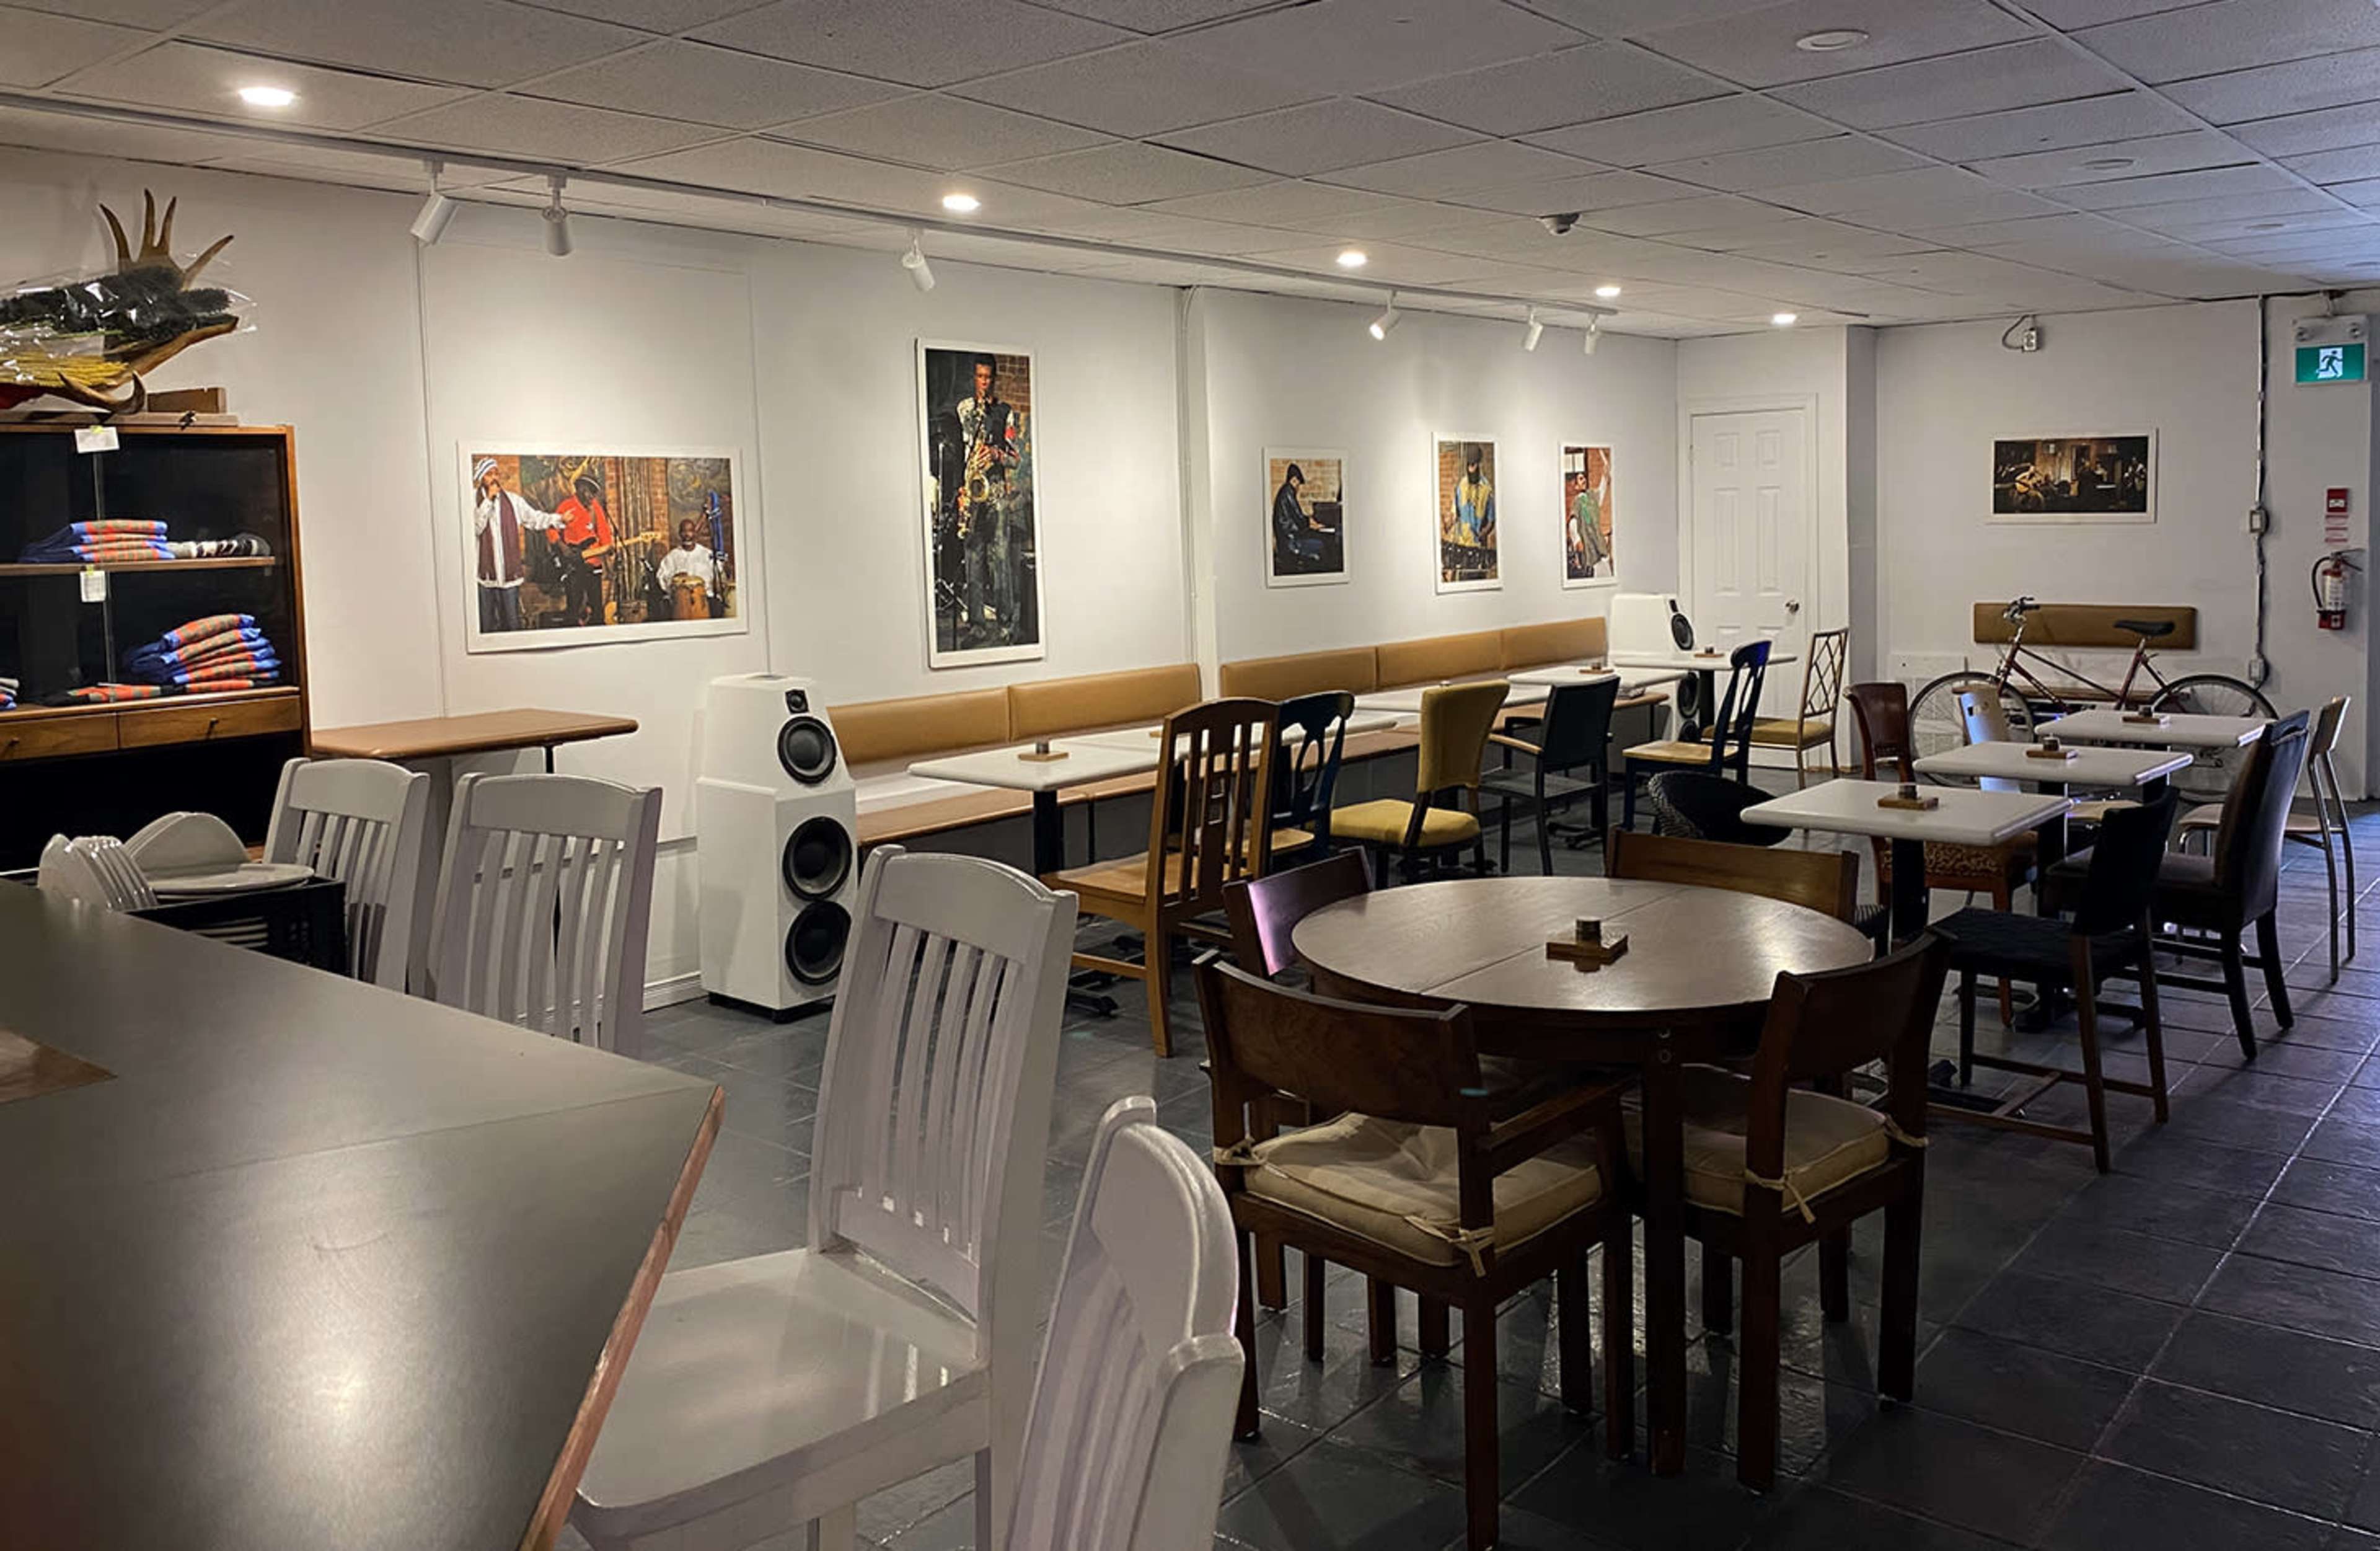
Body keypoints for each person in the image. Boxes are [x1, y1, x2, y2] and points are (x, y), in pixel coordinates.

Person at [954, 355, 1023, 643]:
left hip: (995, 493)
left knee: (1001, 559)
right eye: (980, 377)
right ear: (975, 378)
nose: (985, 382)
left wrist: (995, 454)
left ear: (994, 379)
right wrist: (961, 490)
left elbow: (1016, 460)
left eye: (989, 378)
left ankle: (1006, 625)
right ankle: (977, 626)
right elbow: (960, 452)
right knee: (973, 558)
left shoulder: (1005, 412)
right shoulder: (964, 409)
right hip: (972, 491)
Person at [472, 457, 564, 634]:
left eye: (496, 473)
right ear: (481, 477)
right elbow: (477, 528)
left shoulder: (513, 501)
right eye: (489, 474)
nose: (494, 478)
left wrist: (558, 519)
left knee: (512, 625)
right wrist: (488, 500)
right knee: (486, 627)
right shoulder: (473, 500)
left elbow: (535, 518)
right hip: (485, 578)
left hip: (509, 578)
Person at [553, 471, 615, 627]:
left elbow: (604, 532)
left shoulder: (596, 508)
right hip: (574, 564)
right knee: (574, 609)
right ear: (581, 489)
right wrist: (563, 548)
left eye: (594, 493)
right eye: (590, 492)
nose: (592, 497)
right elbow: (552, 530)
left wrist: (608, 547)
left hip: (594, 564)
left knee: (597, 610)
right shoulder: (566, 506)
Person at [654, 517, 721, 619]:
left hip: (705, 599)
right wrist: (674, 578)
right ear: (680, 534)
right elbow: (661, 577)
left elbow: (719, 574)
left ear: (695, 533)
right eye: (683, 531)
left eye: (690, 531)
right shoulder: (672, 556)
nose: (687, 535)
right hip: (680, 602)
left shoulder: (707, 554)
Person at [1271, 462, 1328, 572]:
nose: (1298, 487)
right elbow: (1298, 517)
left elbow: (1296, 517)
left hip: (1286, 541)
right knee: (1322, 544)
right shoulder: (1288, 492)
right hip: (1291, 543)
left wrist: (1309, 521)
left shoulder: (1284, 492)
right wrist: (1313, 524)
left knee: (1317, 540)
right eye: (1298, 483)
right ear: (1294, 480)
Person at [1568, 465, 1610, 577]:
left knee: (1605, 570)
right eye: (1581, 479)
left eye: (1584, 478)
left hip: (1598, 541)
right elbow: (1572, 522)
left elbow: (1601, 493)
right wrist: (1577, 540)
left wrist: (1604, 476)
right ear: (1576, 486)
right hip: (1588, 544)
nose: (1584, 480)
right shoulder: (1577, 501)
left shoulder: (1591, 496)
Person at [1452, 442, 1494, 548]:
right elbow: (1455, 514)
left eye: (1473, 465)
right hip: (1462, 543)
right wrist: (1449, 523)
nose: (1471, 469)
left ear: (1479, 465)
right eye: (1469, 465)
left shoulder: (1487, 489)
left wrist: (1483, 534)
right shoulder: (1461, 486)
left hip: (1478, 545)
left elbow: (1491, 521)